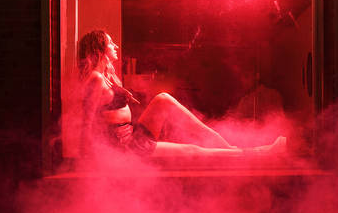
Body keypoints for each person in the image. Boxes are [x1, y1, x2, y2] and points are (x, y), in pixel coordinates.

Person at [77, 30, 286, 160]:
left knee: (163, 99)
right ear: (99, 49)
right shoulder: (95, 79)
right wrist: (86, 162)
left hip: (131, 137)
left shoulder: (106, 78)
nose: (115, 46)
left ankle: (222, 142)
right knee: (192, 151)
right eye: (110, 43)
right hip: (125, 148)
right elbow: (86, 123)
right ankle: (257, 153)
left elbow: (109, 111)